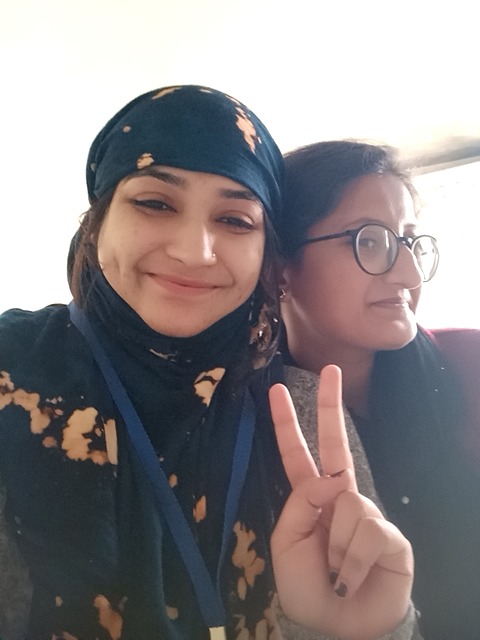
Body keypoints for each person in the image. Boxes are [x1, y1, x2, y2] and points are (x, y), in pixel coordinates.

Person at [0, 88, 416, 640]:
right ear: (96, 222)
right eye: (155, 203)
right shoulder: (11, 374)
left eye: (236, 220)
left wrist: (351, 629)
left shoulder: (305, 416)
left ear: (267, 254)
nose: (195, 251)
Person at [278, 139, 480, 640]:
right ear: (280, 267)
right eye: (369, 241)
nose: (408, 274)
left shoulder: (470, 363)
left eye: (409, 241)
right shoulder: (252, 428)